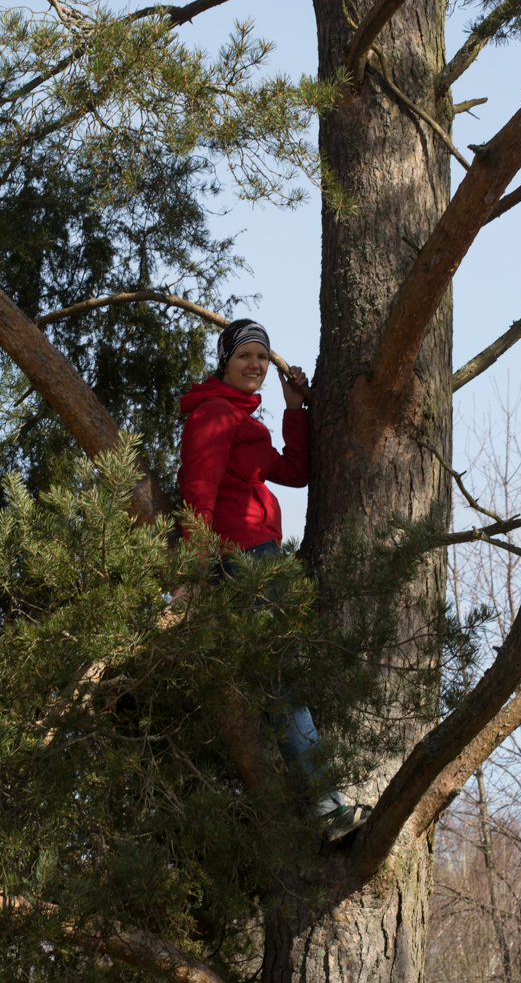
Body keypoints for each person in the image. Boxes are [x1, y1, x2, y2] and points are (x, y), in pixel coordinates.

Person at [175, 318, 370, 841]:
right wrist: (193, 573)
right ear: (225, 361)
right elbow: (199, 493)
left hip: (260, 555)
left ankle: (314, 804)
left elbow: (296, 472)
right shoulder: (214, 414)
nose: (256, 365)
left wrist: (293, 408)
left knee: (279, 679)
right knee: (284, 681)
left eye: (263, 356)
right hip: (240, 560)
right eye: (245, 356)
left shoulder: (245, 419)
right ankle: (327, 808)